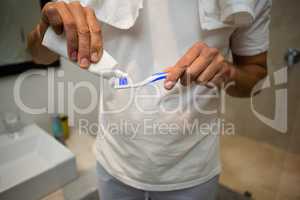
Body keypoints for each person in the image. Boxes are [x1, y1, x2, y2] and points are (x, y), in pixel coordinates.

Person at [28, 0, 271, 199]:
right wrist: (44, 30)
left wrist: (227, 72)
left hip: (193, 175)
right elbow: (37, 54)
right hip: (113, 167)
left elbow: (256, 76)